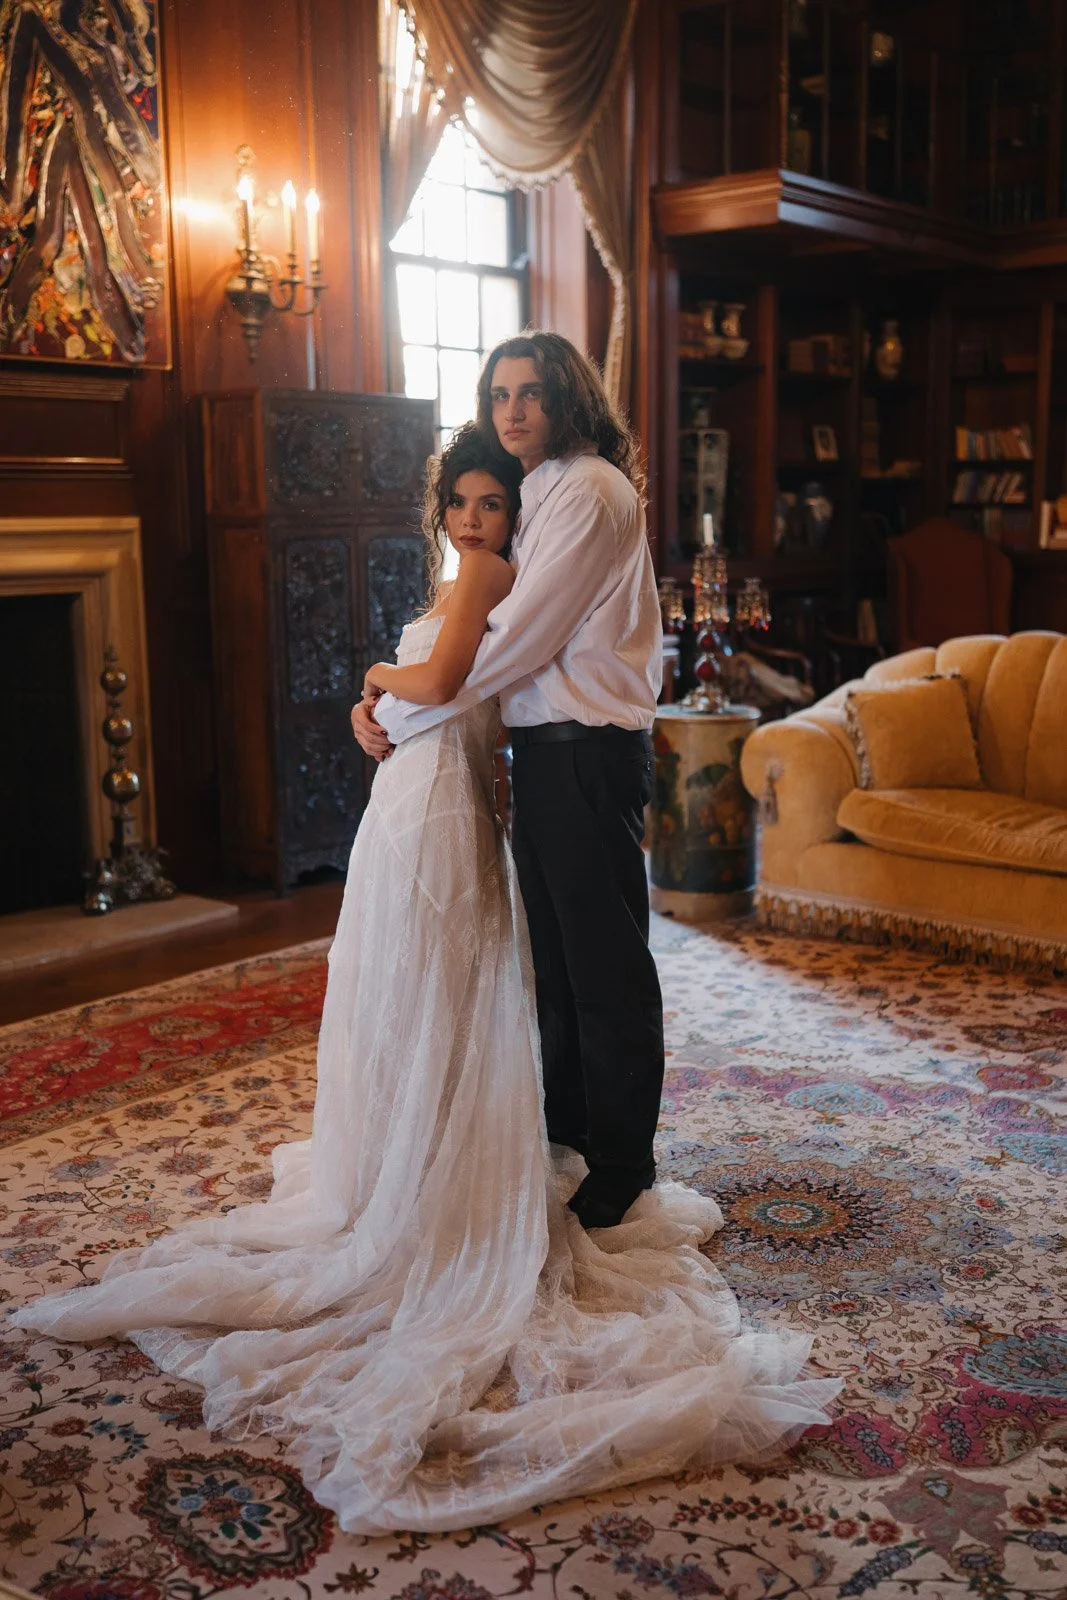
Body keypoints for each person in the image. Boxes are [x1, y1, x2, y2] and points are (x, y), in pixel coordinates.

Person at [12, 422, 839, 1538]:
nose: (471, 519)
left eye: (490, 504)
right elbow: (434, 690)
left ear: (511, 518)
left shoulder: (494, 576)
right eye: (459, 500)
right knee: (405, 995)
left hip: (442, 812)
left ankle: (440, 1177)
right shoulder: (471, 573)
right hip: (411, 802)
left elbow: (444, 677)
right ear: (439, 504)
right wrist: (377, 712)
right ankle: (408, 1150)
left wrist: (371, 678)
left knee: (444, 988)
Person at [354, 332, 663, 1231]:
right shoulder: (537, 493)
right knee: (557, 961)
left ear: (569, 398)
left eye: (530, 392)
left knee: (605, 965)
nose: (514, 409)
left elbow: (515, 642)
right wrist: (388, 707)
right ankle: (568, 1127)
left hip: (586, 752)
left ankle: (622, 1160)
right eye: (499, 395)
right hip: (540, 751)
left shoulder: (593, 492)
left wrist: (391, 710)